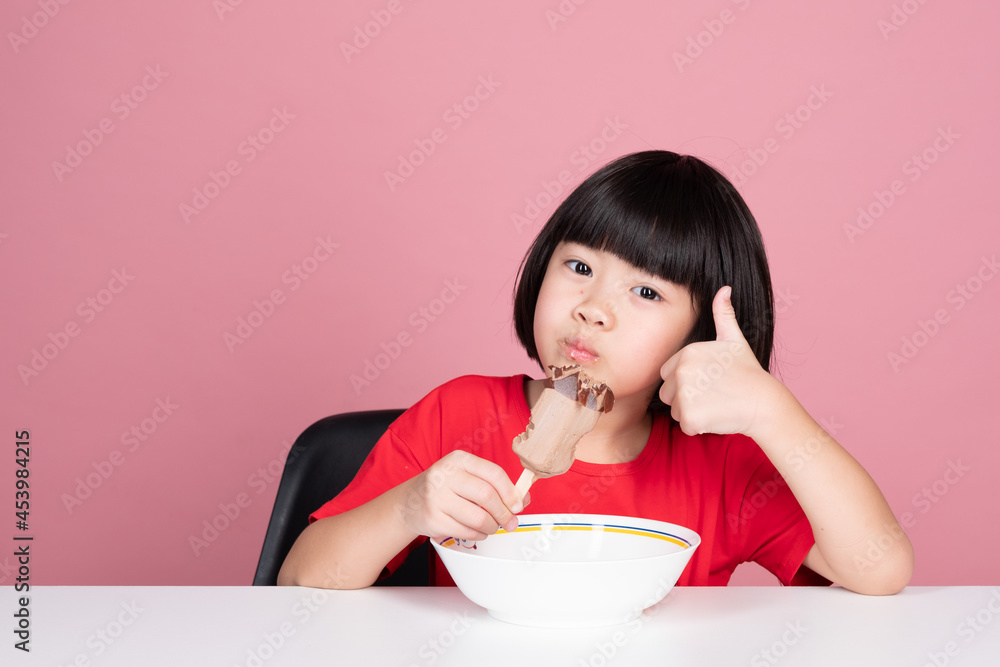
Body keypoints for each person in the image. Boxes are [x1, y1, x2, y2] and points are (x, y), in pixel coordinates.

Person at [278, 151, 913, 594]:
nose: (593, 308)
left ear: (698, 335)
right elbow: (302, 579)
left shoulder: (721, 462)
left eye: (647, 293)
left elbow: (881, 569)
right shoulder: (458, 415)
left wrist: (773, 412)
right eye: (580, 268)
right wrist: (407, 508)